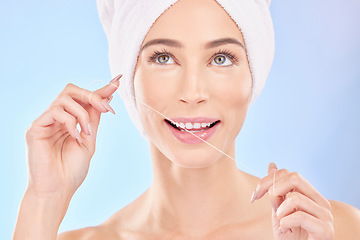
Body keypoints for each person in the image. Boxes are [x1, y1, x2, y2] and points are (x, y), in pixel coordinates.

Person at [13, 0, 360, 239]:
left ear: (254, 73)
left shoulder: (334, 230)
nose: (193, 92)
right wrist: (43, 200)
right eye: (163, 57)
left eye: (221, 58)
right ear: (128, 77)